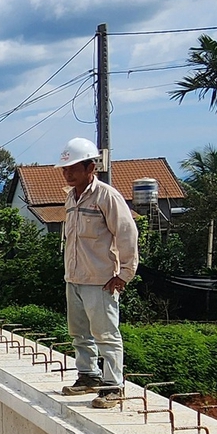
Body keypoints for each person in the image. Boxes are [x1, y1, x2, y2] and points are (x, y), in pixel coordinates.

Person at [57, 137, 139, 408]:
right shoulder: (71, 197)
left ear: (90, 167)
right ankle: (88, 375)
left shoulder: (107, 196)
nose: (67, 173)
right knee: (79, 332)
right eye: (65, 169)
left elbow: (126, 234)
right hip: (75, 277)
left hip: (101, 280)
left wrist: (124, 273)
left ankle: (114, 386)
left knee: (106, 333)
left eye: (73, 168)